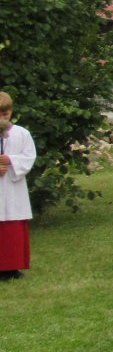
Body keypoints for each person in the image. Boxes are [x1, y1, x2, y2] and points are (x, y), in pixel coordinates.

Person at [0, 91, 38, 282]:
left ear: (11, 112)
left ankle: (11, 266)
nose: (1, 118)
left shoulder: (21, 133)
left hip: (12, 188)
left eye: (4, 114)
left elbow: (29, 157)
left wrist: (10, 160)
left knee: (12, 226)